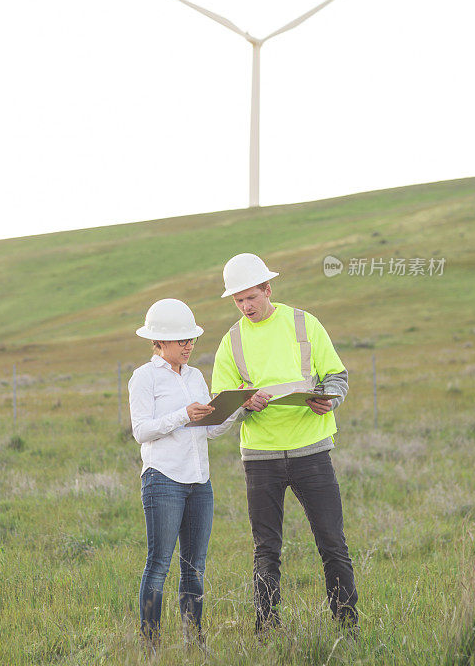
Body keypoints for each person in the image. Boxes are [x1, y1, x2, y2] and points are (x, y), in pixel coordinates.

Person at [211, 253, 358, 634]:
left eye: (251, 297)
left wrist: (330, 399)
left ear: (267, 289)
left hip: (312, 450)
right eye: (239, 301)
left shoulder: (303, 322)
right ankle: (267, 629)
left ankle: (346, 624)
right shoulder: (231, 341)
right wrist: (245, 403)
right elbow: (221, 403)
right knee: (266, 549)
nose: (246, 307)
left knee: (332, 542)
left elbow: (337, 375)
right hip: (260, 457)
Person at [128, 297, 250, 648]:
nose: (188, 346)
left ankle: (194, 641)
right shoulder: (144, 377)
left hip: (200, 483)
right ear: (158, 342)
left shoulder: (196, 375)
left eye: (191, 339)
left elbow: (209, 430)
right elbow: (142, 431)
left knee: (194, 568)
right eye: (181, 340)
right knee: (159, 565)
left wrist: (235, 407)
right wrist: (184, 414)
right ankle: (149, 644)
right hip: (162, 479)